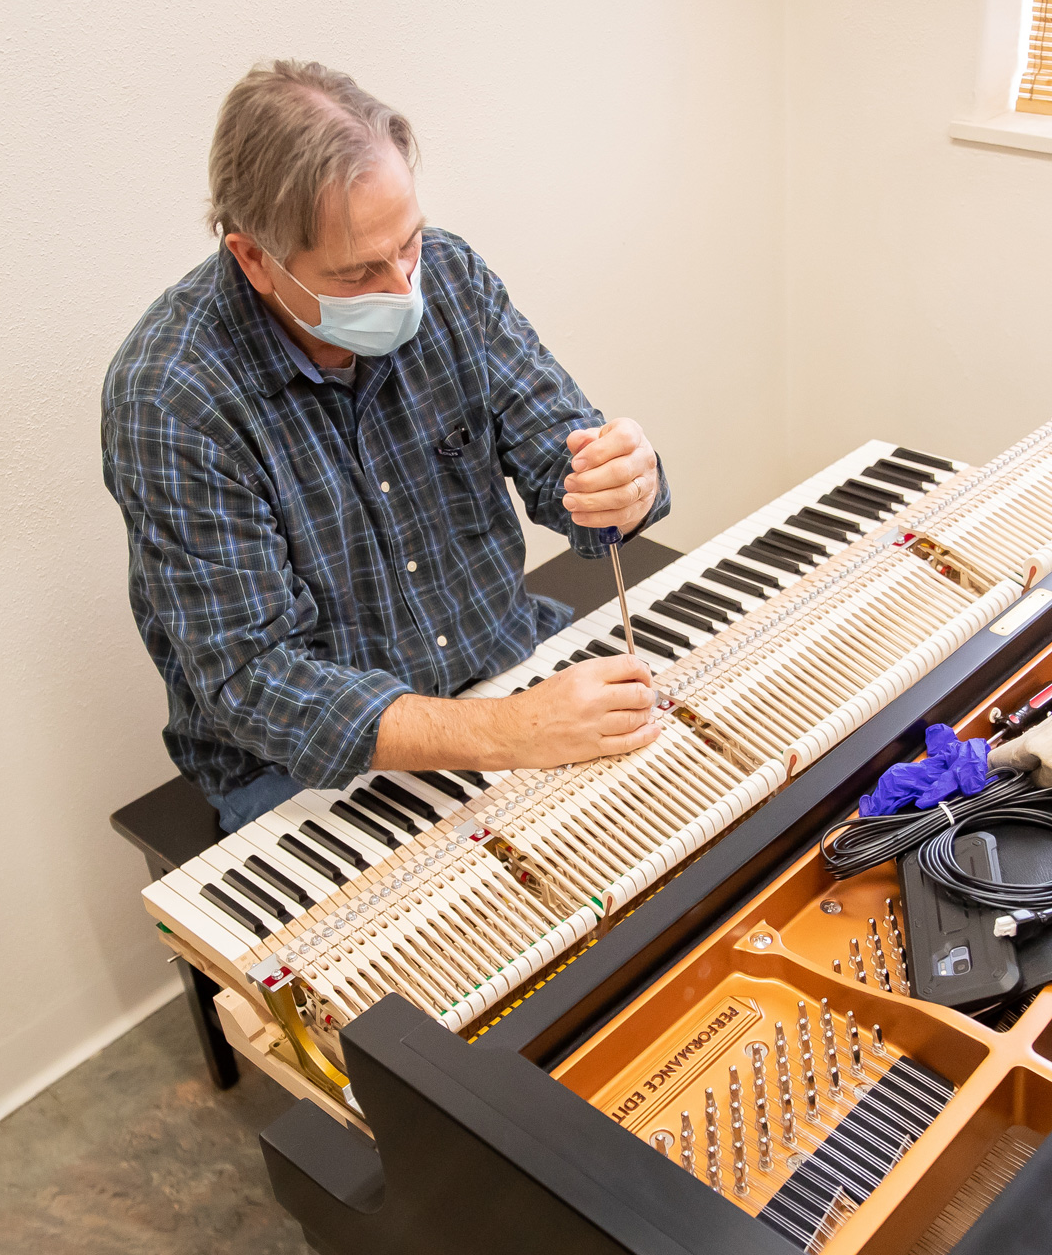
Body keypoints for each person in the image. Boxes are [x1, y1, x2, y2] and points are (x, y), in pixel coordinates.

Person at [103, 60, 669, 832]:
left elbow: (565, 470)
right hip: (305, 775)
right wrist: (509, 736)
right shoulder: (173, 396)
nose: (405, 289)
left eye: (408, 244)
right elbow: (255, 683)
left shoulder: (452, 278)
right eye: (358, 272)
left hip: (501, 674)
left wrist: (623, 481)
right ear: (254, 260)